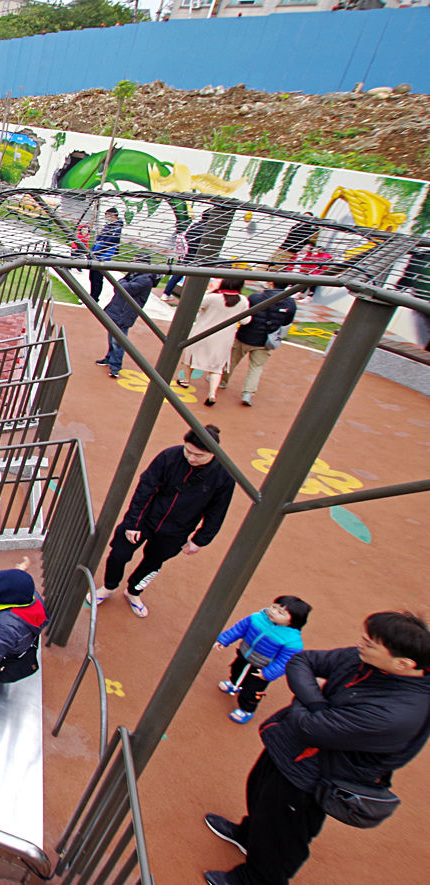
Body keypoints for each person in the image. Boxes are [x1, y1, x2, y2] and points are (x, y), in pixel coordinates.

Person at [203, 610, 430, 885]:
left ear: (404, 664)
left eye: (371, 643)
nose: (361, 643)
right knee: (260, 792)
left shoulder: (396, 713)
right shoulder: (365, 659)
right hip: (291, 750)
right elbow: (303, 661)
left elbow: (310, 728)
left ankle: (257, 879)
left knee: (284, 834)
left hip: (313, 778)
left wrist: (310, 704)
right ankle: (249, 836)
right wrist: (318, 704)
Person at [93, 424, 236, 617]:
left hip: (176, 531)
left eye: (199, 455)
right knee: (119, 553)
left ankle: (134, 592)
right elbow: (145, 489)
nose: (191, 458)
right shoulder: (169, 456)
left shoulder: (224, 476)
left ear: (213, 453)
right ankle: (109, 586)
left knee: (153, 564)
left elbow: (217, 511)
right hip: (145, 518)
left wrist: (200, 539)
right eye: (188, 451)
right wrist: (134, 523)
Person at [215, 596, 312, 724]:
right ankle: (235, 684)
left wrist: (267, 674)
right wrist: (223, 640)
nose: (273, 611)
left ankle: (246, 710)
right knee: (236, 669)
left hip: (262, 669)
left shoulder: (292, 641)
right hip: (244, 655)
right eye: (274, 607)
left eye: (280, 612)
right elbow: (239, 629)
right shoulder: (256, 618)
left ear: (293, 621)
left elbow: (285, 662)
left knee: (252, 691)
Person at [222, 282, 297, 406]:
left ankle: (222, 382)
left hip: (245, 336)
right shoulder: (290, 304)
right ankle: (248, 393)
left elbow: (245, 316)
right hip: (265, 341)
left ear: (271, 284)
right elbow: (286, 324)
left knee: (232, 360)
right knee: (256, 368)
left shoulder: (255, 298)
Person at [177, 278, 249, 406]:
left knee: (191, 357)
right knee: (217, 367)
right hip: (224, 337)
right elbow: (245, 321)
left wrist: (209, 294)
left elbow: (197, 306)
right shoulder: (243, 300)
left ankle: (186, 380)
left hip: (203, 333)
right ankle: (212, 394)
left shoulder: (214, 297)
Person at [96, 270, 160, 378]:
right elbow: (120, 286)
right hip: (119, 310)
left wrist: (122, 282)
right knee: (112, 336)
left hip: (124, 314)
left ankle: (115, 366)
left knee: (119, 340)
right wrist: (123, 282)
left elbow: (123, 288)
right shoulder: (136, 275)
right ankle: (110, 357)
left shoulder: (144, 280)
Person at [90, 207, 124, 301]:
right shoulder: (108, 225)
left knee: (97, 277)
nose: (106, 218)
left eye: (107, 216)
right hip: (97, 253)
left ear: (112, 216)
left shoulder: (116, 228)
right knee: (92, 276)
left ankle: (94, 297)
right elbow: (99, 238)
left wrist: (98, 252)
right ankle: (91, 295)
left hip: (103, 256)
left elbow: (108, 242)